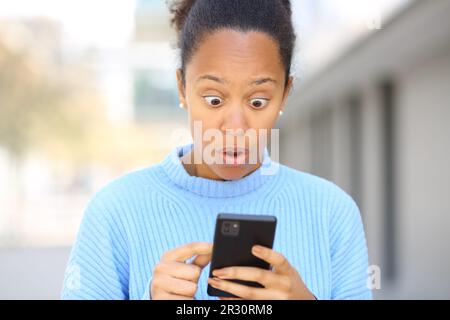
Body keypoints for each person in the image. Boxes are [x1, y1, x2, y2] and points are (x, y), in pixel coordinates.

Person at [61, 0, 372, 300]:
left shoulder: (332, 214)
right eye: (214, 99)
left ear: (285, 93)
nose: (235, 126)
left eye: (258, 101)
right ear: (182, 88)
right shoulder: (115, 211)